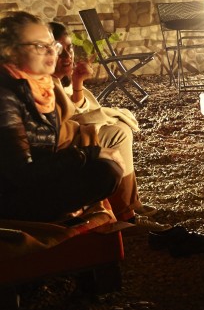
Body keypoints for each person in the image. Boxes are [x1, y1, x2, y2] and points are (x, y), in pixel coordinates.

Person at [0, 10, 123, 222]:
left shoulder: (41, 87)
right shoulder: (6, 95)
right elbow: (21, 174)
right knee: (104, 171)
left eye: (52, 46)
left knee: (108, 168)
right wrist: (88, 153)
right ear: (11, 51)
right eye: (40, 46)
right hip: (11, 195)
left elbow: (48, 150)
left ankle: (124, 211)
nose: (52, 53)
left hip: (37, 178)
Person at [50, 21, 146, 222]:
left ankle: (130, 203)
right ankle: (125, 212)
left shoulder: (57, 81)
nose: (68, 56)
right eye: (60, 51)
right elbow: (64, 119)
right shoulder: (37, 83)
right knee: (118, 134)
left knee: (119, 127)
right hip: (55, 147)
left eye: (70, 48)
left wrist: (77, 83)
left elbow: (74, 108)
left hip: (66, 135)